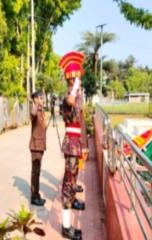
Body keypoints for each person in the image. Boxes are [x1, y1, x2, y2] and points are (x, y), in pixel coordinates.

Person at [58, 51, 87, 240]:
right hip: (70, 145)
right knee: (68, 184)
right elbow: (69, 101)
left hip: (77, 145)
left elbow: (82, 120)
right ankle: (66, 227)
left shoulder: (78, 97)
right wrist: (76, 85)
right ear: (72, 80)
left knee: (74, 177)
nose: (80, 82)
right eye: (77, 79)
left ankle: (73, 202)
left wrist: (84, 145)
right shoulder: (68, 97)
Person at [29, 90, 47, 207]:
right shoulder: (34, 109)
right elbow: (33, 114)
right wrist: (35, 104)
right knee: (35, 172)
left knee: (38, 172)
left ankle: (36, 193)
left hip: (40, 146)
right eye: (39, 98)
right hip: (35, 146)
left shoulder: (41, 110)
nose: (42, 99)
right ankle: (34, 197)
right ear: (35, 99)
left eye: (42, 98)